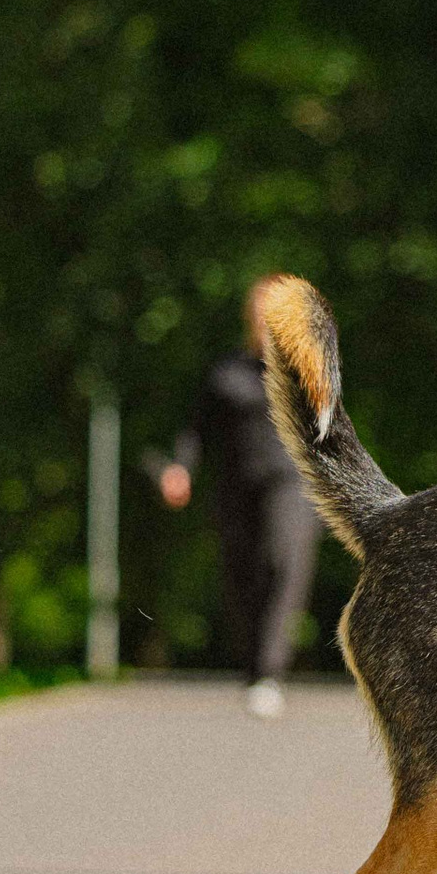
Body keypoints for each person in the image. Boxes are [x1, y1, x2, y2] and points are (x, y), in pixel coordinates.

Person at [158, 277, 322, 716]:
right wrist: (180, 469)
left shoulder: (308, 374)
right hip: (234, 488)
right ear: (250, 318)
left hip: (293, 484)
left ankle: (270, 671)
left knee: (284, 560)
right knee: (242, 575)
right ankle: (253, 667)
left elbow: (332, 433)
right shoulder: (225, 373)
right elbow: (194, 431)